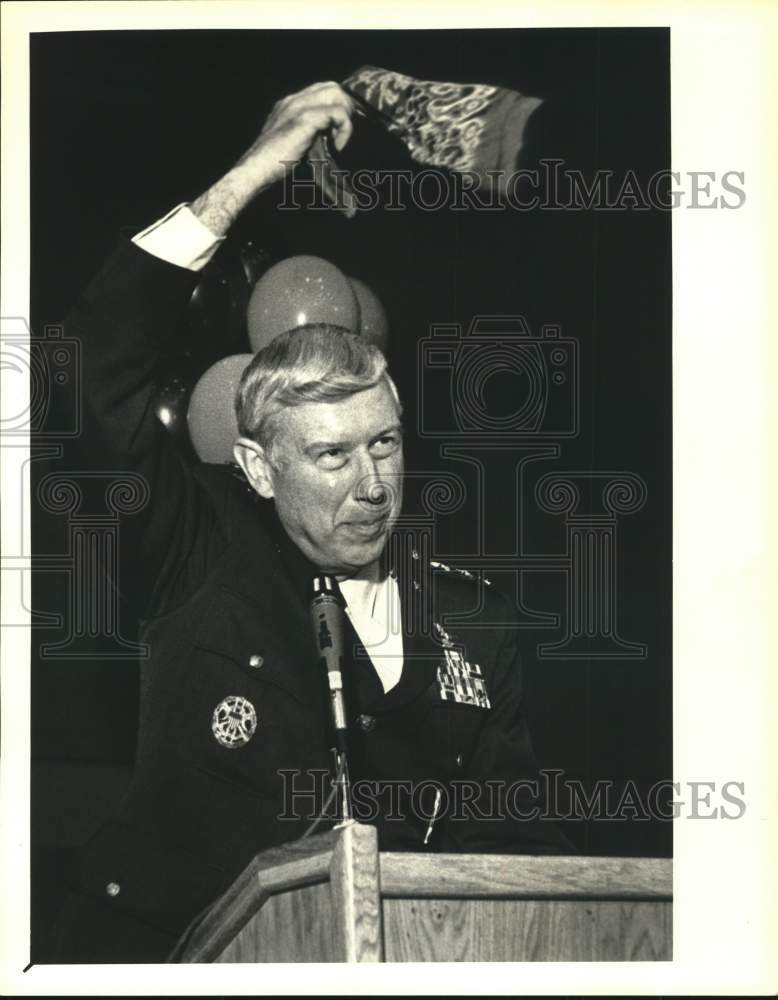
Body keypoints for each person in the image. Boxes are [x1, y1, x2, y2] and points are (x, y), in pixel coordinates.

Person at [43, 82, 570, 964]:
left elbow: (524, 859)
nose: (372, 484)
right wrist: (250, 173)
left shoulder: (475, 620)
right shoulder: (197, 549)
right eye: (331, 456)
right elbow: (89, 376)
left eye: (386, 444)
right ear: (258, 465)